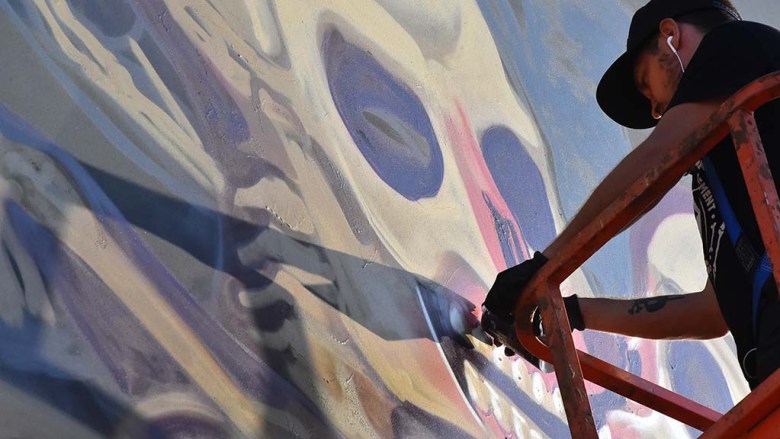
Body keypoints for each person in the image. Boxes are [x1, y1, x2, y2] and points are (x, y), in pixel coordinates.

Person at [482, 0, 780, 390]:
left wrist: (545, 266)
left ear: (671, 36)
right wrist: (570, 312)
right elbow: (710, 314)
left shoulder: (735, 43)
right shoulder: (729, 162)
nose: (656, 110)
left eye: (644, 82)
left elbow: (653, 165)